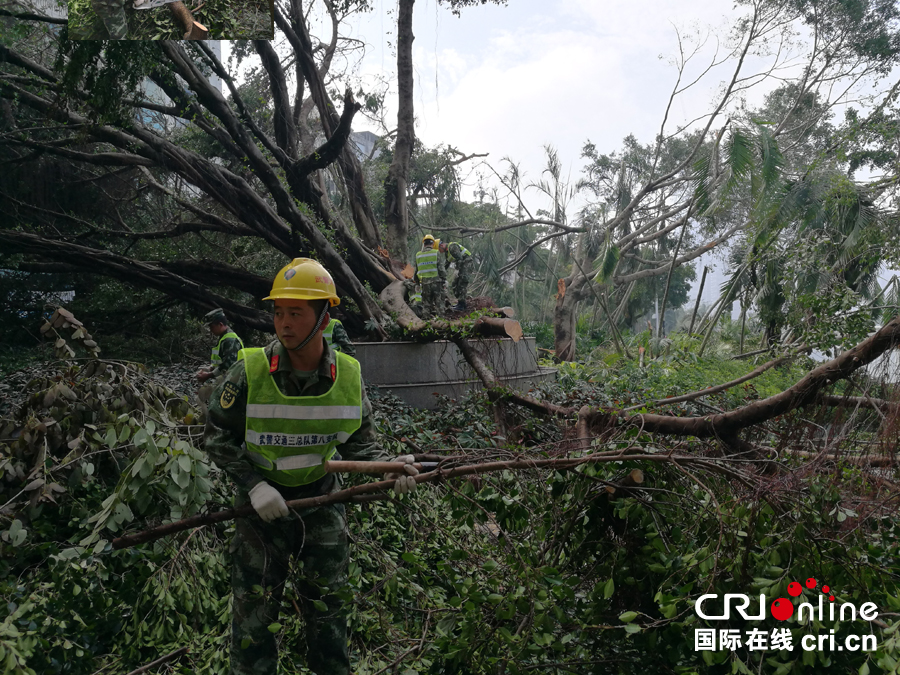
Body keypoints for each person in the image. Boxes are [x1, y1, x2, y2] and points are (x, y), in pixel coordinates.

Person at [203, 258, 418, 675]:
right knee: (253, 624)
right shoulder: (248, 370)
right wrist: (253, 485)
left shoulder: (349, 376)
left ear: (324, 317)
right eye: (278, 312)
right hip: (260, 514)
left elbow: (363, 449)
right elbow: (216, 436)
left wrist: (388, 472)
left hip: (322, 503)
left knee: (329, 620)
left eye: (295, 313)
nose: (283, 323)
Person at [196, 308, 244, 407]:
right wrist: (209, 369)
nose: (210, 330)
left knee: (204, 395)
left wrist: (208, 375)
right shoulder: (223, 338)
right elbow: (219, 362)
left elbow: (229, 366)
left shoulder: (230, 340)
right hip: (227, 378)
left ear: (220, 325)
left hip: (234, 381)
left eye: (212, 327)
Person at [414, 234, 446, 318]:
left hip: (424, 283)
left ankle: (425, 323)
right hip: (436, 282)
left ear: (424, 244)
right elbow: (441, 269)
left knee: (426, 304)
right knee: (439, 303)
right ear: (433, 244)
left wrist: (417, 283)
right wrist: (444, 279)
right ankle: (441, 323)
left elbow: (416, 271)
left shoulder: (418, 255)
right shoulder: (436, 253)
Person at [438, 240, 473, 311]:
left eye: (439, 250)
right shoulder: (447, 253)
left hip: (467, 264)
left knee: (462, 284)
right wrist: (440, 275)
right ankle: (460, 302)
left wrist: (457, 270)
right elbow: (446, 265)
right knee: (454, 284)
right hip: (462, 266)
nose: (440, 252)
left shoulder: (452, 247)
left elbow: (460, 259)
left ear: (441, 246)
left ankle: (462, 305)